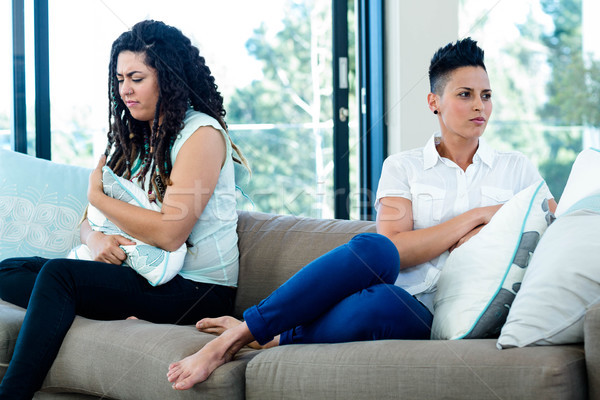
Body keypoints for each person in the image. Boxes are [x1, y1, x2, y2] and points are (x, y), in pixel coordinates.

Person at [166, 37, 558, 391]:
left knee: (379, 289)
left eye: (486, 95)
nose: (479, 106)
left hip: (461, 309)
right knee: (377, 255)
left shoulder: (517, 168)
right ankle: (237, 338)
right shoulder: (403, 167)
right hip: (410, 303)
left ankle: (262, 334)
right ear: (433, 102)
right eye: (466, 94)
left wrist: (454, 235)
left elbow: (550, 229)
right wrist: (477, 218)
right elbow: (396, 250)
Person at [0, 20, 248, 399]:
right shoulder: (138, 135)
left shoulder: (201, 134)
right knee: (9, 270)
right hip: (140, 271)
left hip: (196, 289)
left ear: (168, 79)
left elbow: (170, 232)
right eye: (119, 79)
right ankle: (90, 305)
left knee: (59, 276)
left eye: (136, 78)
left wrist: (100, 199)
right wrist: (94, 238)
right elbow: (91, 220)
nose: (125, 90)